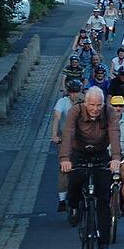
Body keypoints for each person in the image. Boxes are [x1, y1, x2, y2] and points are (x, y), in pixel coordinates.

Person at [59, 87, 121, 249]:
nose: (95, 109)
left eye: (99, 105)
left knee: (103, 200)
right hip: (79, 152)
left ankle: (103, 244)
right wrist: (65, 158)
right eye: (92, 105)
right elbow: (68, 133)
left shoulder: (109, 113)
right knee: (75, 181)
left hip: (101, 153)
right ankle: (73, 206)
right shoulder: (75, 111)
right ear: (85, 103)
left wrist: (115, 158)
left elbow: (114, 134)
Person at [50, 79, 84, 212]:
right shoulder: (62, 102)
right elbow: (56, 118)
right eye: (72, 92)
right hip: (65, 138)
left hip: (82, 138)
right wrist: (54, 135)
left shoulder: (84, 101)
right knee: (64, 167)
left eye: (77, 92)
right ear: (68, 92)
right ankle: (62, 198)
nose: (74, 95)